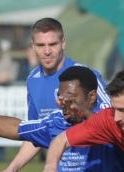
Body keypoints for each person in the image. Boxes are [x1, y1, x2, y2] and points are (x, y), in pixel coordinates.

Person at [24, 17, 109, 163]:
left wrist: (77, 111)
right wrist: (12, 168)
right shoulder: (32, 80)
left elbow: (111, 121)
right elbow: (36, 133)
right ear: (33, 46)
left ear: (63, 43)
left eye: (52, 44)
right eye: (40, 45)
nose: (47, 51)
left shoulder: (85, 75)